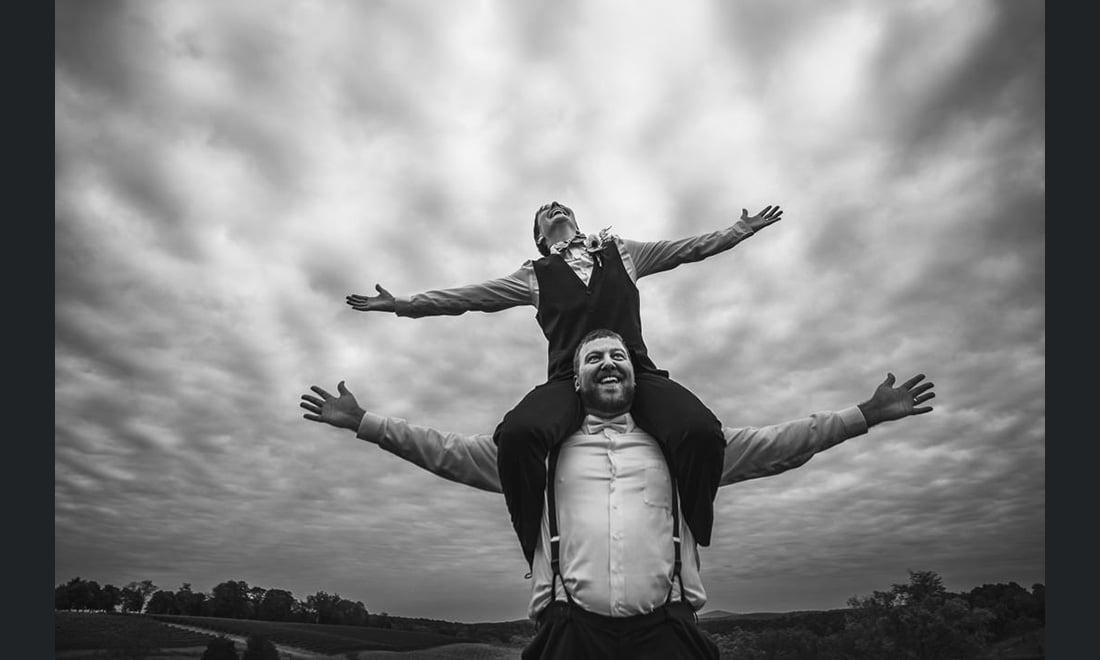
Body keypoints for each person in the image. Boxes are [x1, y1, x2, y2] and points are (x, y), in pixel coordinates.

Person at [300, 329, 936, 659]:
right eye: (594, 358)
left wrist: (865, 415)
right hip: (572, 637)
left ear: (635, 373)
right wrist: (364, 422)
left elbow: (780, 443)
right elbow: (444, 450)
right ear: (574, 379)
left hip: (668, 635)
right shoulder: (541, 456)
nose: (609, 363)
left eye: (619, 357)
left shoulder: (678, 448)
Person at [345, 201, 784, 568]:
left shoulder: (624, 252)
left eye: (561, 205)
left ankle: (694, 528)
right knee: (517, 436)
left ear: (576, 221)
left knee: (702, 433)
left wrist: (738, 230)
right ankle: (538, 552)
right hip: (567, 379)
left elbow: (687, 249)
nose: (553, 207)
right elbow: (467, 298)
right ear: (540, 236)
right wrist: (402, 304)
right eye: (543, 211)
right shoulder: (534, 275)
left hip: (635, 370)